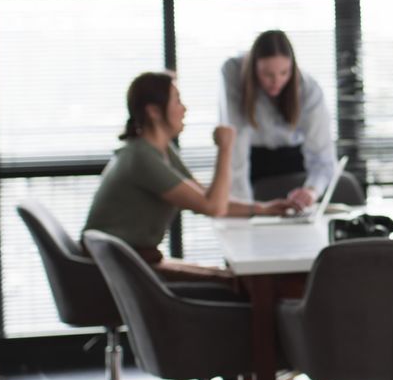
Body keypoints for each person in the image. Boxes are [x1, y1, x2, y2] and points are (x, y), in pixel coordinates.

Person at [82, 71, 290, 283]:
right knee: (237, 283)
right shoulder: (141, 158)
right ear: (154, 111)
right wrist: (225, 148)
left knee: (236, 279)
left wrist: (263, 209)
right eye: (177, 101)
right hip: (115, 267)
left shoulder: (160, 150)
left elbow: (206, 197)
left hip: (134, 259)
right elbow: (214, 207)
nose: (184, 109)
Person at [219, 30, 338, 212]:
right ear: (253, 68)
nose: (276, 81)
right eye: (267, 74)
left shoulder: (308, 89)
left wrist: (312, 190)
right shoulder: (233, 72)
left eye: (284, 73)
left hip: (294, 161)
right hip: (252, 161)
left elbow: (322, 156)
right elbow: (236, 146)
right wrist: (246, 210)